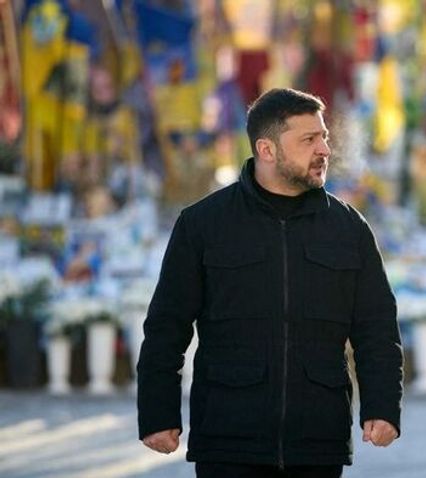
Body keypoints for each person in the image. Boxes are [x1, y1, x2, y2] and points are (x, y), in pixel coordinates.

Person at [137, 88, 403, 478]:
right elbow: (167, 326)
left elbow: (377, 328)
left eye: (324, 137)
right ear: (266, 149)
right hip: (228, 440)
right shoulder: (203, 225)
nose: (324, 149)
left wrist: (383, 406)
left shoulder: (349, 229)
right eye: (309, 140)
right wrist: (157, 414)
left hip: (318, 443)